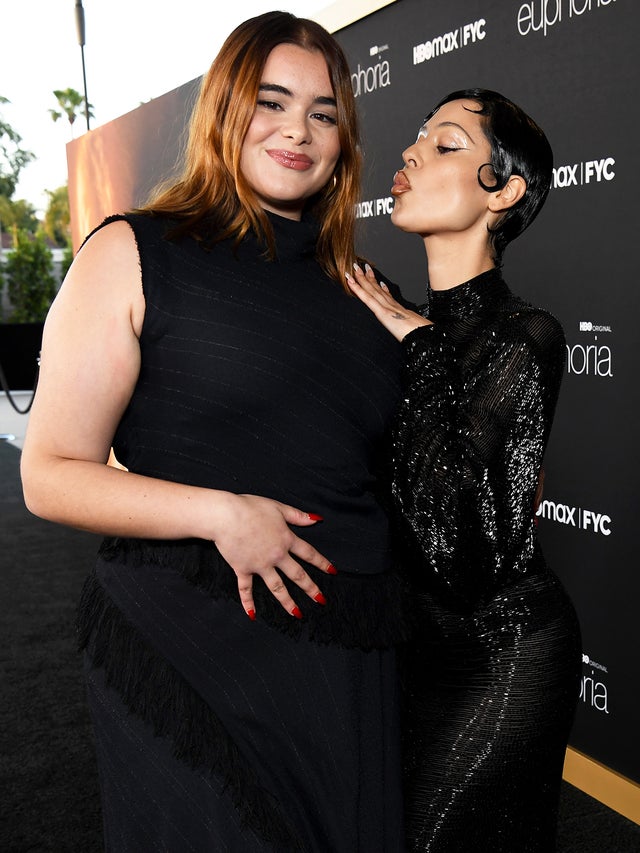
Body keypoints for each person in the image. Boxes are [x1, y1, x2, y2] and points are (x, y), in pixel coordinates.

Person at [20, 12, 410, 851]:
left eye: (324, 111)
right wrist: (222, 514)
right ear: (225, 108)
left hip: (348, 648)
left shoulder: (364, 285)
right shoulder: (132, 251)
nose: (297, 131)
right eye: (270, 102)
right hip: (192, 641)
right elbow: (48, 471)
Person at [347, 89, 581, 852]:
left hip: (506, 651)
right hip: (411, 649)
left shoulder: (526, 336)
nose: (411, 153)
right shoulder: (397, 322)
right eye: (417, 139)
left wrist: (419, 346)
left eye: (445, 144)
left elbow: (457, 550)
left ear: (504, 192)